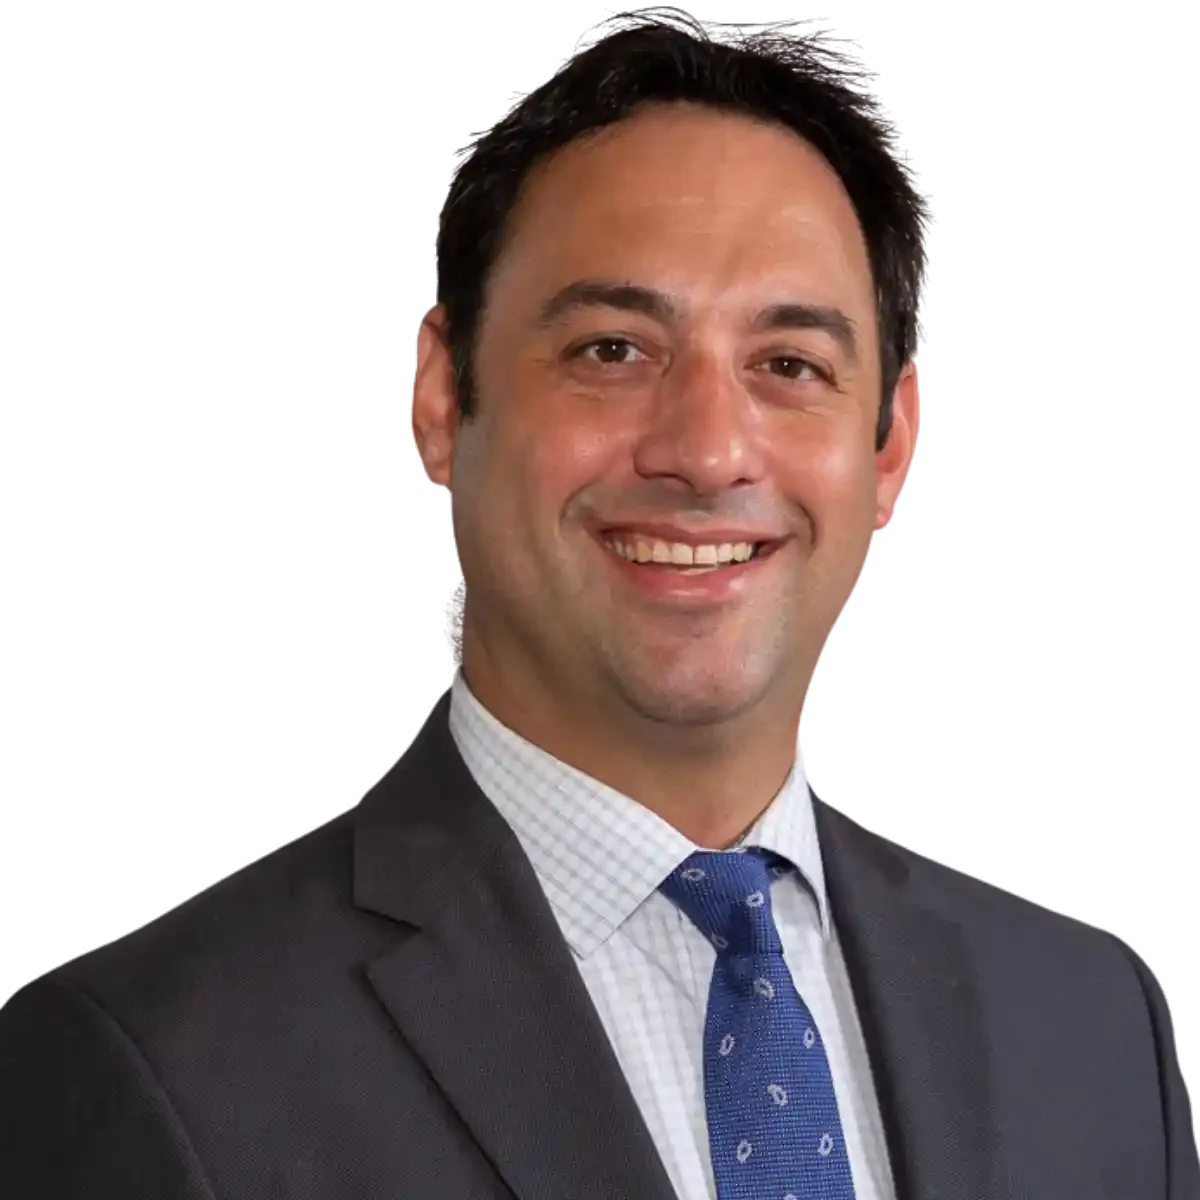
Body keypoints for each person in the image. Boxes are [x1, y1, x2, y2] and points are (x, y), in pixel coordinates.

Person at [2, 10, 1196, 1199]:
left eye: (790, 366)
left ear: (892, 446)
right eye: (614, 350)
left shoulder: (1091, 1025)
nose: (710, 449)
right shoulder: (163, 1067)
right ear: (438, 396)